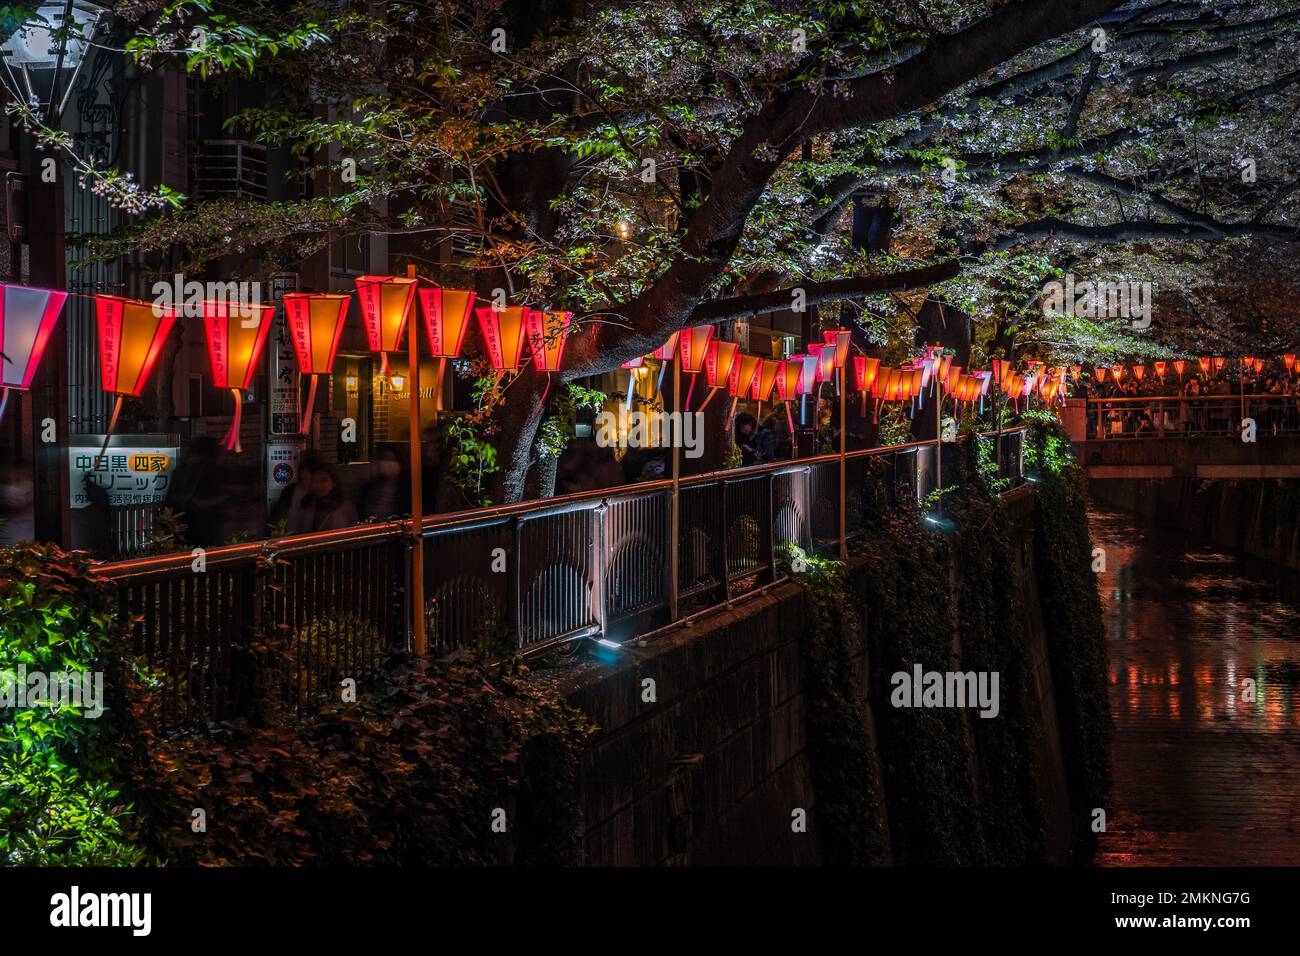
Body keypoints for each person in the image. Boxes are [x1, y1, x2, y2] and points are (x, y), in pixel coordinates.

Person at [309, 465, 358, 531]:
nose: (319, 485)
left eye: (324, 480)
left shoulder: (343, 506)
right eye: (315, 481)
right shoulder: (311, 505)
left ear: (334, 482)